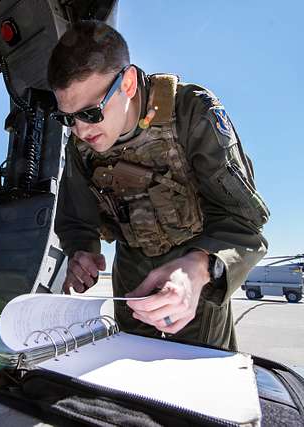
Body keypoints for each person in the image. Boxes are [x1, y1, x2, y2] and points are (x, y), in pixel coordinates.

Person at [49, 21, 269, 351]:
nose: (80, 131)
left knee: (202, 379)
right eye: (68, 118)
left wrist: (198, 269)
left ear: (127, 83)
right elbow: (77, 219)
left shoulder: (191, 112)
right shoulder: (80, 146)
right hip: (131, 274)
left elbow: (242, 220)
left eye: (91, 113)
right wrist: (82, 251)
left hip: (196, 271)